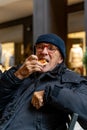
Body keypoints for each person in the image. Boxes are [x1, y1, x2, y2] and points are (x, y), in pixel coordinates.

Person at [0, 33, 87, 130]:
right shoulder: (21, 71)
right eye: (40, 47)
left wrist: (51, 93)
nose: (44, 52)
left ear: (60, 58)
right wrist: (17, 76)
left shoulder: (70, 79)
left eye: (51, 48)